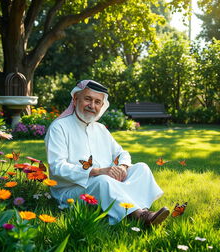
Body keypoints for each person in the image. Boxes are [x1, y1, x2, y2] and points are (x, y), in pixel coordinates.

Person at [45, 79, 169, 225]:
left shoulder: (100, 129)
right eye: (88, 99)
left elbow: (122, 154)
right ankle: (141, 215)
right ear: (75, 99)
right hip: (70, 191)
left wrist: (122, 167)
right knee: (103, 181)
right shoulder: (59, 127)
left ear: (102, 106)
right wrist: (98, 171)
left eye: (97, 102)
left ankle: (132, 206)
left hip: (105, 181)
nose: (92, 105)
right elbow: (57, 167)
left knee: (141, 168)